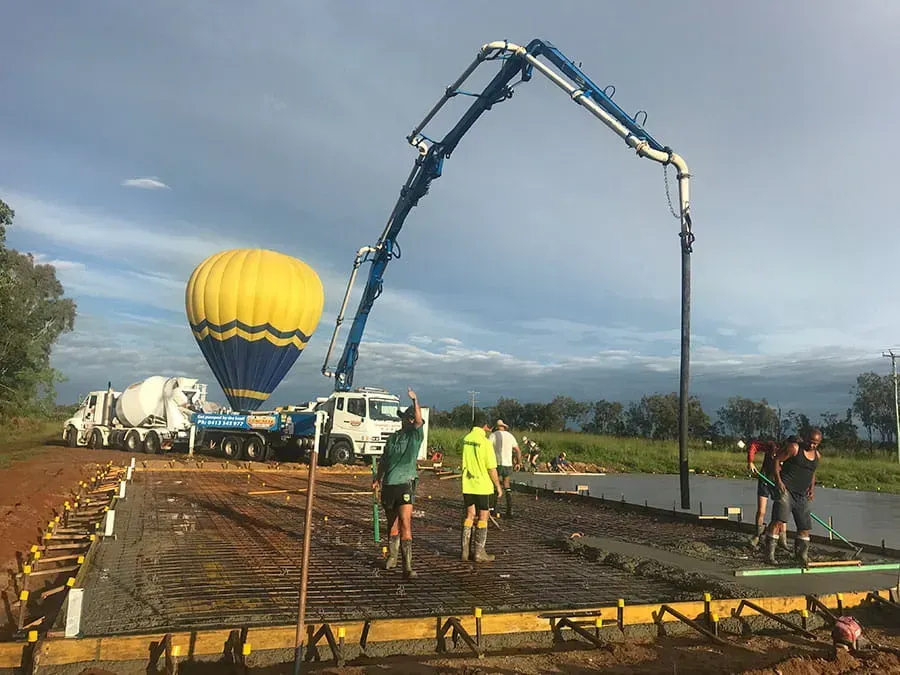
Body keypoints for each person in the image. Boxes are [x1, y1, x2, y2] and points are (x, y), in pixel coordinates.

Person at [373, 387, 424, 579]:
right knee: (392, 524)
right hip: (389, 485)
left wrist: (415, 400)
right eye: (405, 418)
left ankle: (408, 566)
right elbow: (384, 460)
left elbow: (419, 421)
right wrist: (377, 479)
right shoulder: (393, 438)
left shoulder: (415, 436)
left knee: (405, 522)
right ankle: (392, 557)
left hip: (405, 483)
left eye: (409, 418)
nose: (408, 420)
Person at [763, 429, 823, 566]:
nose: (812, 446)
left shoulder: (817, 456)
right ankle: (769, 554)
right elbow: (777, 460)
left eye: (815, 444)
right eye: (810, 442)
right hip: (786, 490)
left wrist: (812, 488)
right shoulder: (794, 448)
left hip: (802, 494)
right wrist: (778, 481)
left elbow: (812, 472)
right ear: (805, 438)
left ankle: (801, 556)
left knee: (804, 526)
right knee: (778, 520)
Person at [460, 411, 504, 562]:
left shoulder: (466, 439)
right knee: (483, 516)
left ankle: (464, 552)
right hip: (482, 486)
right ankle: (479, 553)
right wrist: (498, 486)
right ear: (485, 426)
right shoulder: (485, 443)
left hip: (467, 484)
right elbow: (491, 468)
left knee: (469, 515)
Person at [747, 436, 790, 551]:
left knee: (782, 514)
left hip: (780, 484)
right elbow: (754, 446)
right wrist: (750, 462)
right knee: (761, 511)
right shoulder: (772, 446)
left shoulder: (793, 454)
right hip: (765, 479)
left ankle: (782, 540)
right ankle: (757, 535)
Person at [488, 419, 522, 518]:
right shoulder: (510, 436)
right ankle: (509, 510)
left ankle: (493, 509)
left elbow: (488, 447)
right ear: (504, 427)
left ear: (496, 427)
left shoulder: (493, 435)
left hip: (497, 463)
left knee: (495, 485)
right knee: (507, 485)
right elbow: (518, 450)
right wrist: (519, 463)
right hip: (508, 464)